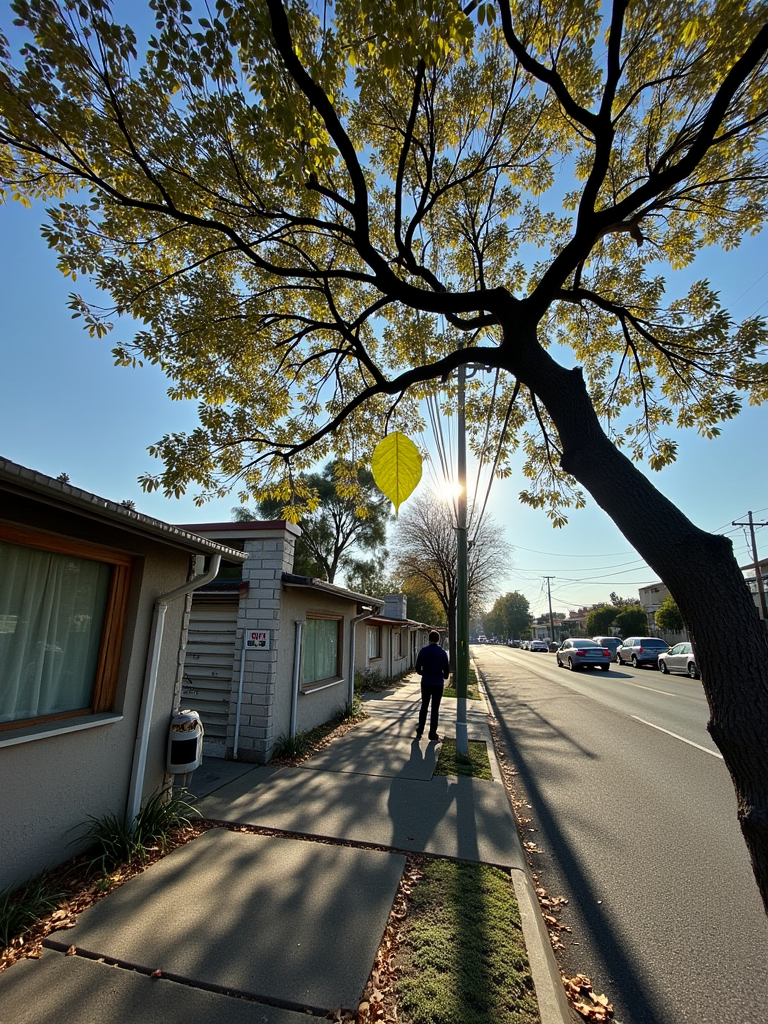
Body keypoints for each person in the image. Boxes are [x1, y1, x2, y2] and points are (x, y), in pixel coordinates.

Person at [415, 630, 450, 741]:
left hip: (426, 682)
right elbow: (446, 669)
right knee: (435, 708)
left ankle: (420, 730)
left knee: (424, 706)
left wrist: (423, 673)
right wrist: (444, 676)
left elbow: (417, 667)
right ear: (438, 639)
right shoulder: (442, 652)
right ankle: (432, 733)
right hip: (438, 684)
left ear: (429, 639)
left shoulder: (424, 651)